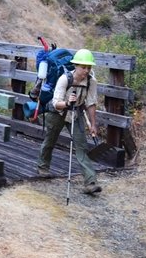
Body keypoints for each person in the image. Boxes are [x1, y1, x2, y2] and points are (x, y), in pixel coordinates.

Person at [37, 49, 101, 194]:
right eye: (83, 67)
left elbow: (91, 103)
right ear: (76, 66)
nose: (86, 70)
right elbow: (55, 103)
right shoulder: (64, 79)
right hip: (58, 111)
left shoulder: (91, 82)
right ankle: (43, 167)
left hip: (76, 113)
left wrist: (93, 124)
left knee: (82, 145)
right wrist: (67, 103)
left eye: (89, 67)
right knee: (50, 140)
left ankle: (90, 182)